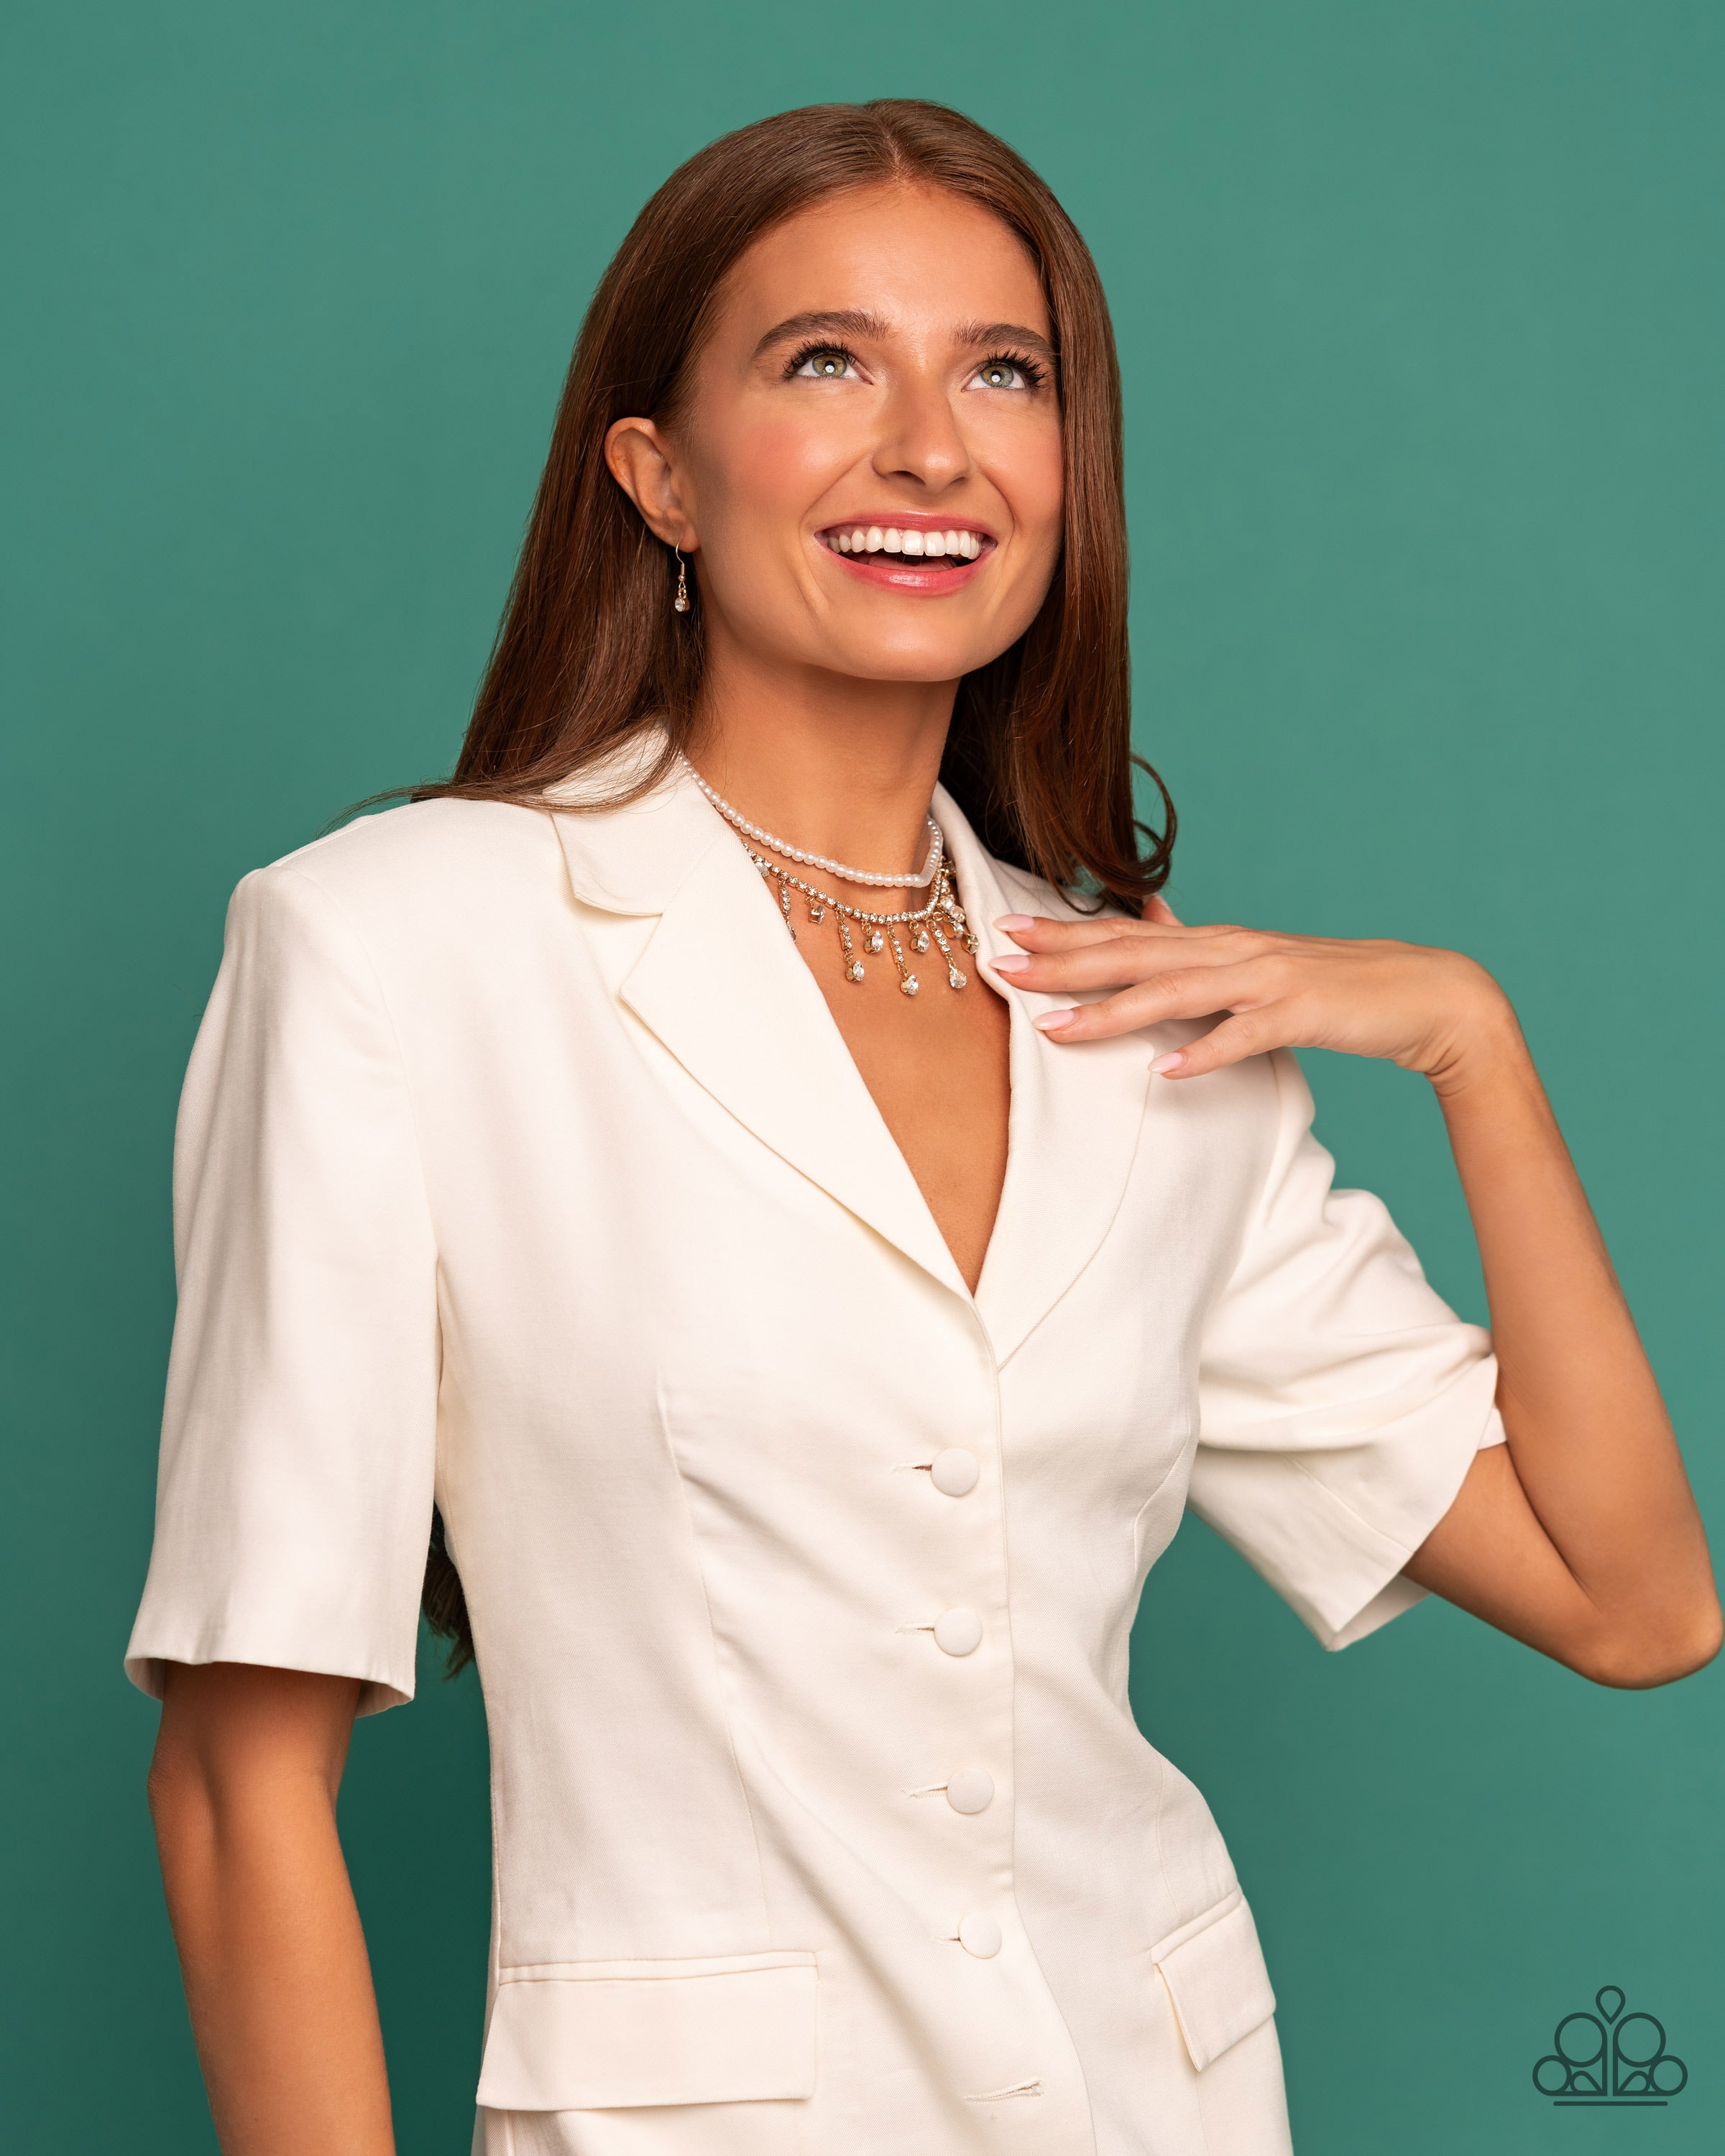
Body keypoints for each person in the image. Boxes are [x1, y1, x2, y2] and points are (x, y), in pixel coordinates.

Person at [128, 98, 1719, 2156]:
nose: (932, 450)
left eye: (1003, 373)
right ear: (659, 474)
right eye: (827, 362)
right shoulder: (392, 948)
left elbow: (1636, 1604)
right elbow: (239, 1782)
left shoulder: (1142, 1025)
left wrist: (1472, 1043)